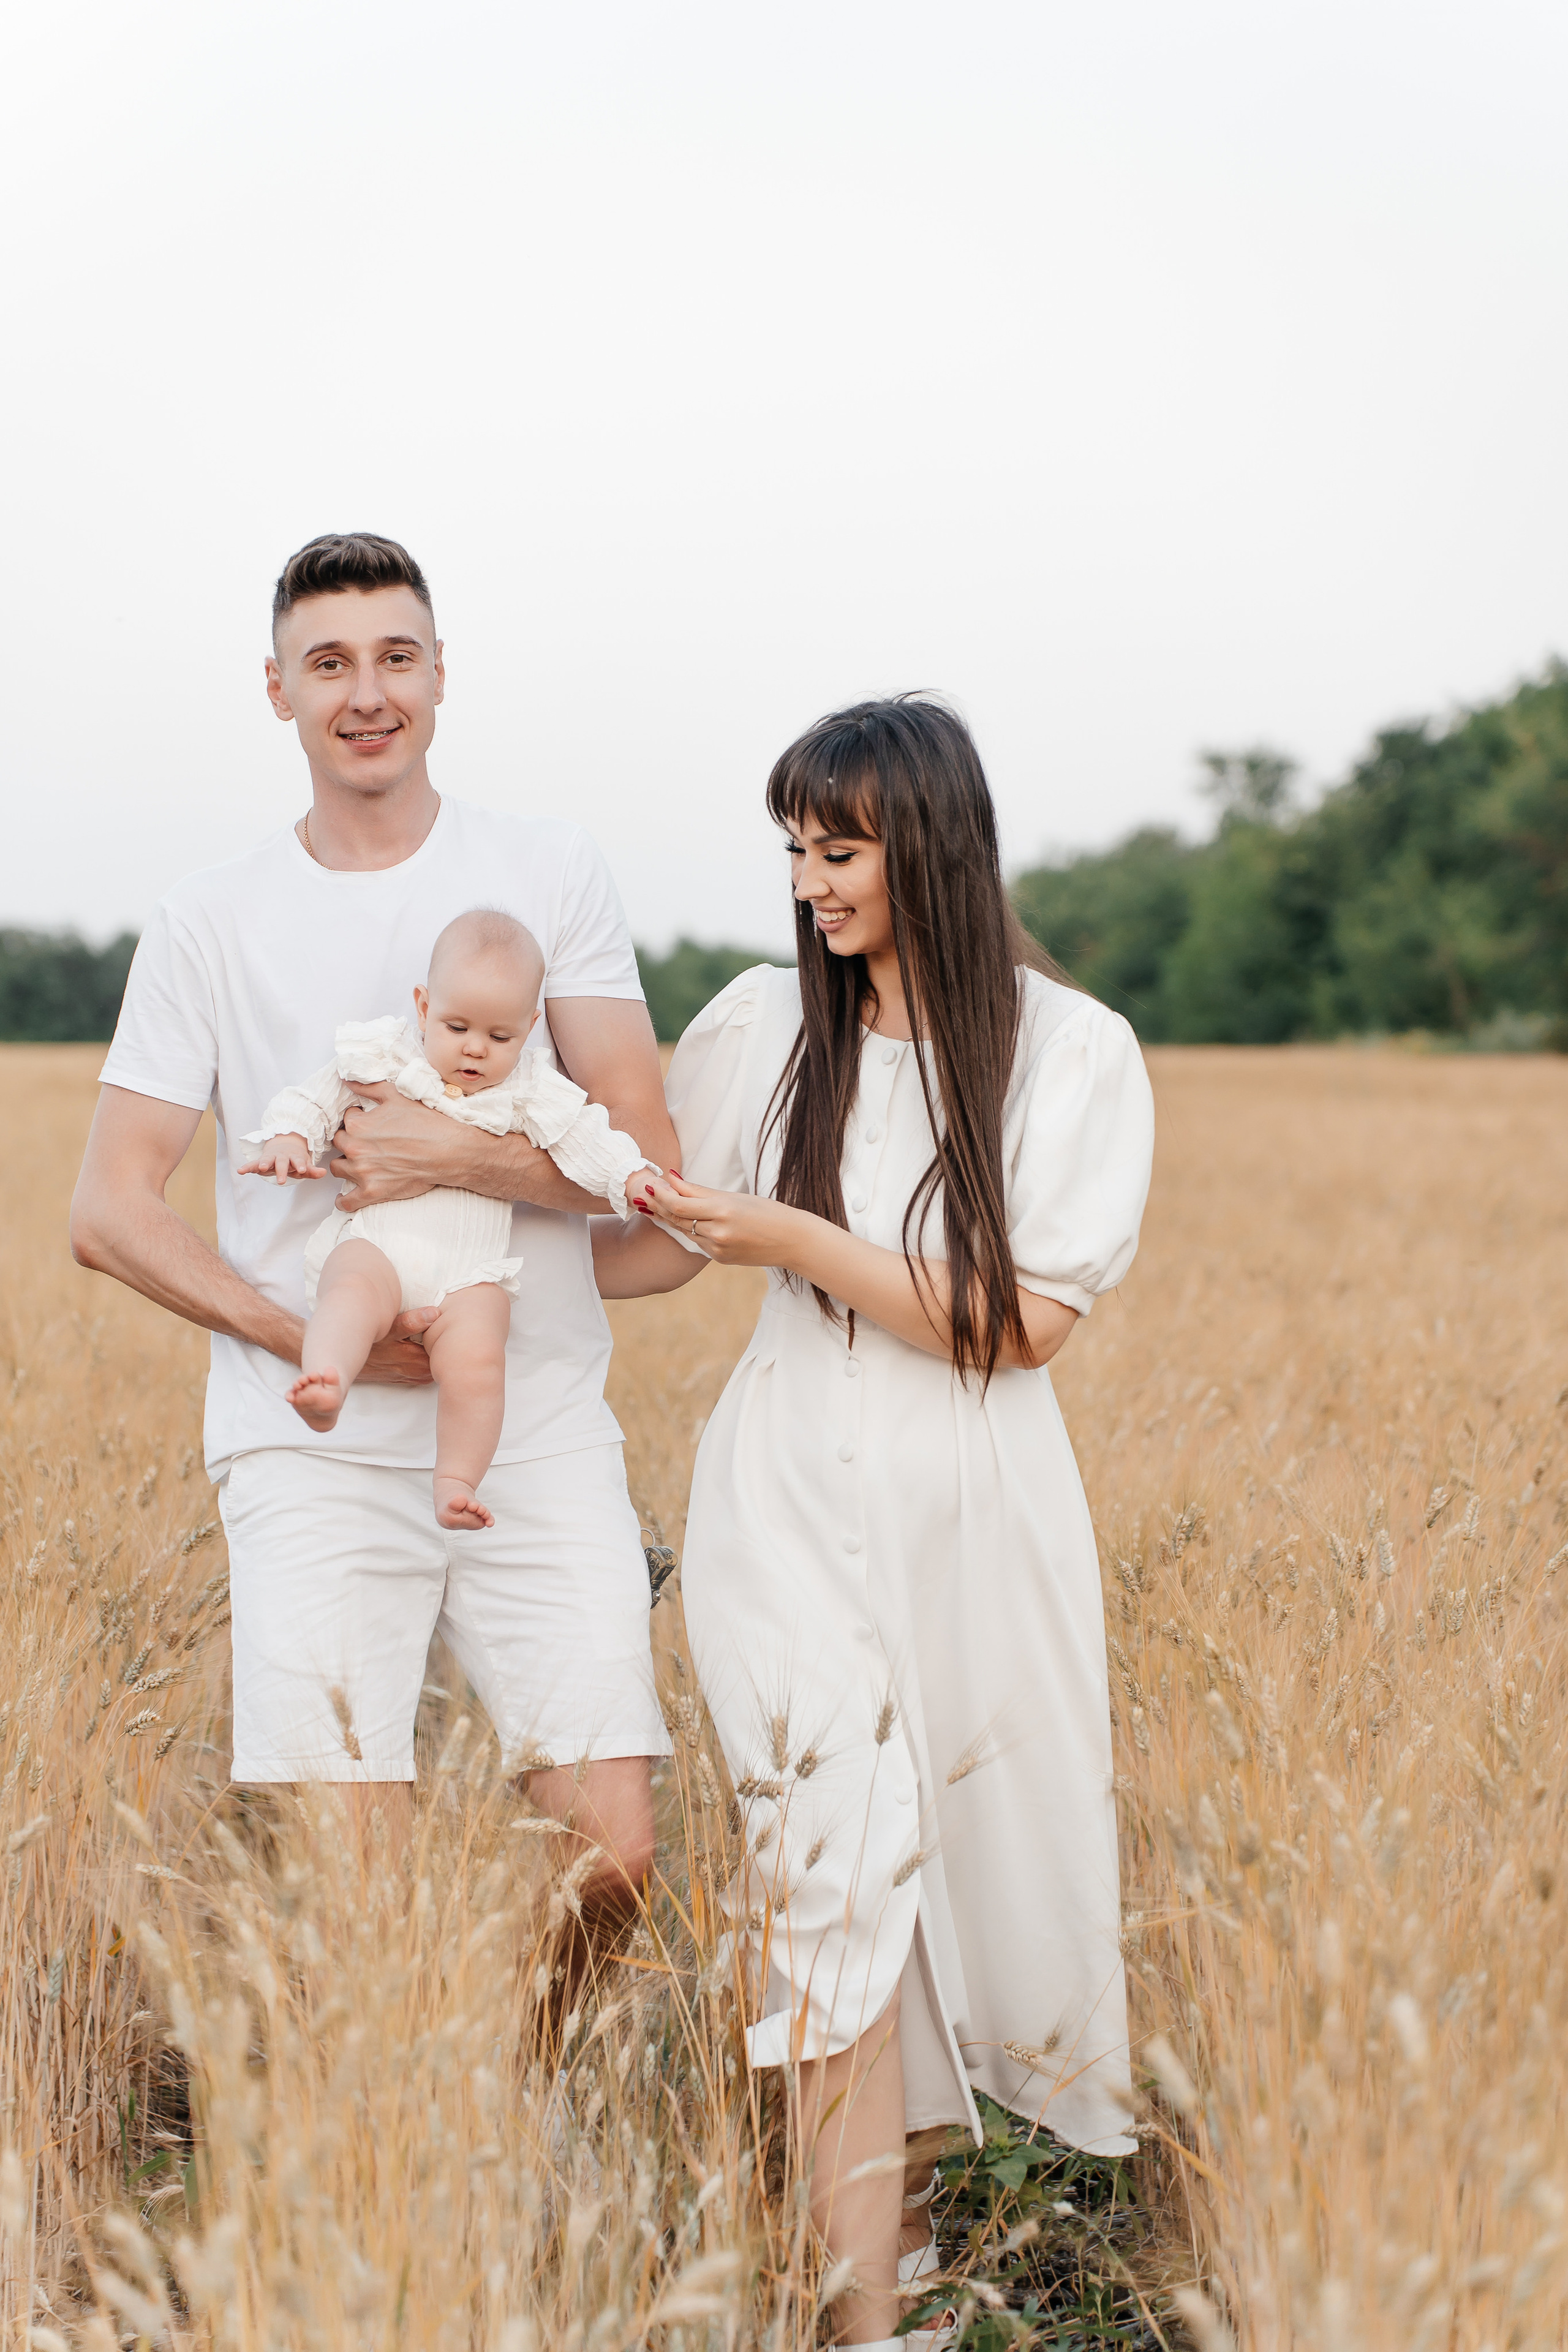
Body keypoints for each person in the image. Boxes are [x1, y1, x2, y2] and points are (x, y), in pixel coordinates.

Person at [594, 697, 1155, 2350]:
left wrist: (791, 1235)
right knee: (829, 1876)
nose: (808, 882)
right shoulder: (763, 1022)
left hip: (977, 1519)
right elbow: (657, 1243)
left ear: (931, 843)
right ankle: (861, 2313)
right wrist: (465, 1211)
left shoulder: (1070, 1050)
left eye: (837, 848)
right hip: (779, 1499)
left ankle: (892, 2252)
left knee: (953, 1866)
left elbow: (1019, 1323)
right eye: (794, 847)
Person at [72, 532, 678, 1905]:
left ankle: (518, 2039)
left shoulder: (550, 868)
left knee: (613, 1861)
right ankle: (418, 2058)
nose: (366, 693)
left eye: (395, 657)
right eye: (328, 662)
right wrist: (310, 1340)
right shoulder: (208, 918)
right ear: (277, 689)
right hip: (313, 1443)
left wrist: (452, 1158)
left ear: (441, 674)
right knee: (366, 1899)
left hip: (533, 1421)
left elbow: (647, 1159)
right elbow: (107, 1209)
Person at [239, 908, 657, 1531]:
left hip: (470, 1273)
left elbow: (586, 1139)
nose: (475, 1048)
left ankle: (456, 1480)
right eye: (457, 1027)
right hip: (378, 1243)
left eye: (500, 1037)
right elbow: (317, 1097)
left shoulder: (531, 1088)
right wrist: (290, 1137)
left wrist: (630, 1176)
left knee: (480, 1362)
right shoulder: (386, 1056)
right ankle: (327, 1380)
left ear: (530, 1028)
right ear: (423, 1006)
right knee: (350, 1296)